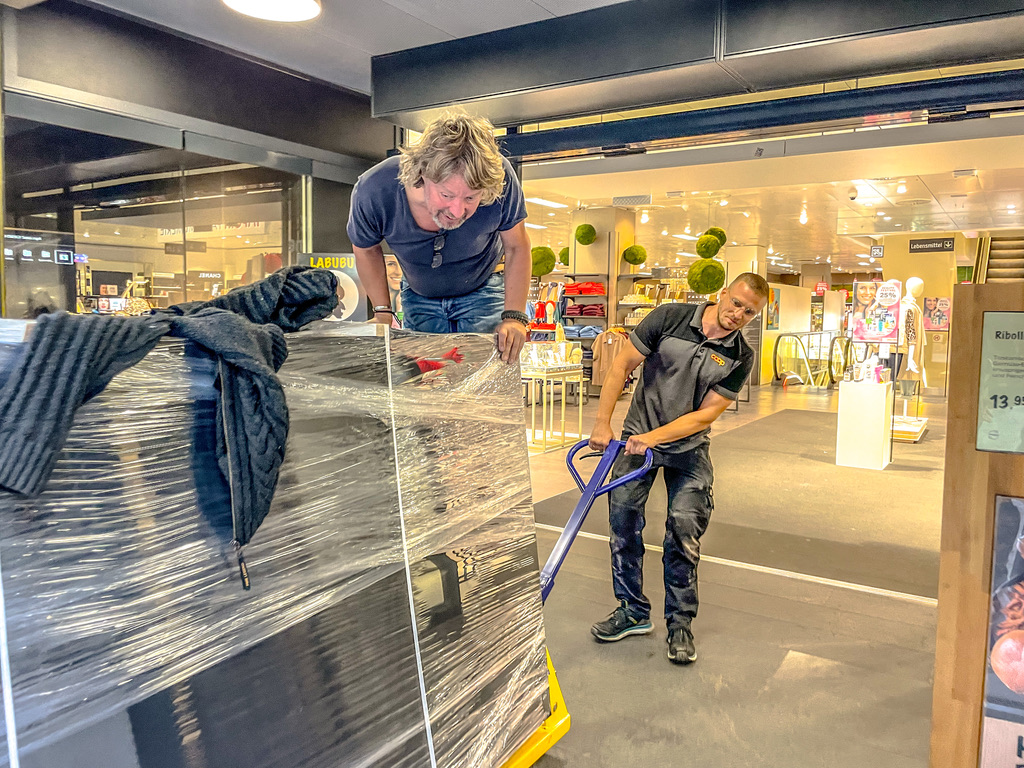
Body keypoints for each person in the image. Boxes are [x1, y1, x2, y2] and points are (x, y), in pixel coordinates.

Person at [588, 273, 769, 665]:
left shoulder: (741, 355)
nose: (738, 314)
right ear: (723, 294)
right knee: (623, 524)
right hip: (635, 441)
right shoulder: (669, 317)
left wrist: (654, 438)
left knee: (684, 531)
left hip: (688, 449)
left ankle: (680, 624)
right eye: (736, 303)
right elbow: (621, 366)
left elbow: (704, 416)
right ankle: (632, 611)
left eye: (749, 312)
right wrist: (602, 423)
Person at [347, 111, 532, 363]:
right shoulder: (375, 188)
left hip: (483, 289)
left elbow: (517, 246)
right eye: (446, 195)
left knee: (485, 380)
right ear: (422, 175)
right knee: (427, 379)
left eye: (471, 197)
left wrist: (514, 317)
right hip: (419, 294)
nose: (457, 210)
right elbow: (366, 249)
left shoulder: (501, 178)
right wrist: (382, 313)